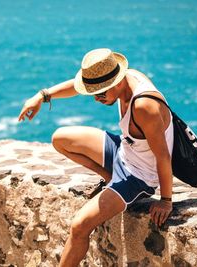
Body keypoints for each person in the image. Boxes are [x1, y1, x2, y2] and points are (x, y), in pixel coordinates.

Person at [17, 48, 173, 266]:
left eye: (100, 93)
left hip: (139, 176)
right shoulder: (125, 77)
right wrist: (42, 96)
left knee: (79, 226)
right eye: (92, 93)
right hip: (125, 151)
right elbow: (76, 86)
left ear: (116, 82)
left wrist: (166, 201)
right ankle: (110, 177)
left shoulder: (144, 106)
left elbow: (163, 156)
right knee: (60, 138)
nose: (96, 99)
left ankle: (117, 185)